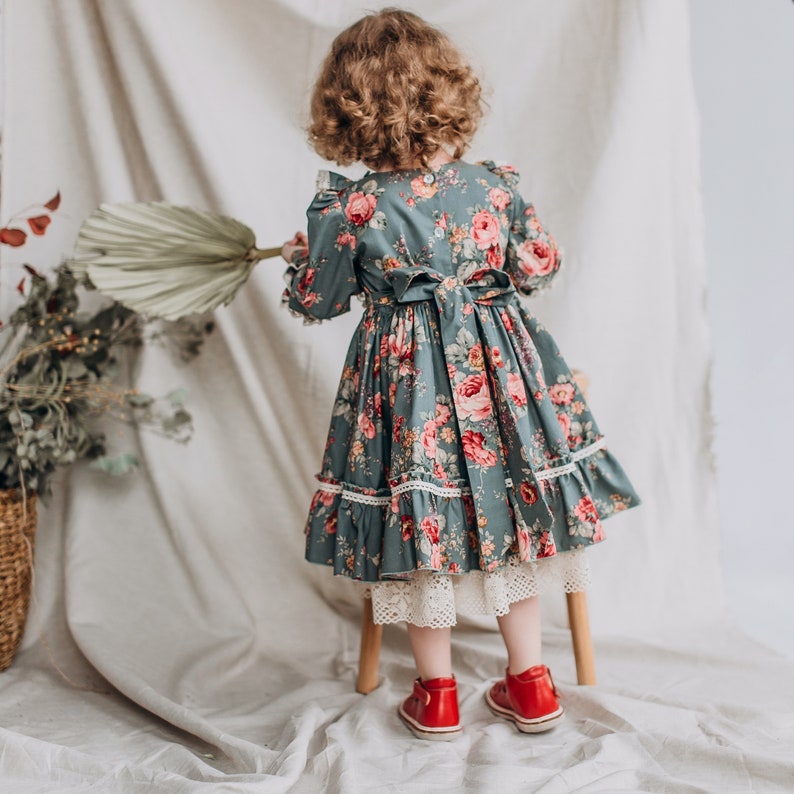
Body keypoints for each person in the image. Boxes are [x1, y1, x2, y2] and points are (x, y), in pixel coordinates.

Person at [281, 8, 639, 741]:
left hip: (407, 393)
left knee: (421, 528)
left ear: (348, 107)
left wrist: (302, 255)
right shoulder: (493, 187)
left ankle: (437, 693)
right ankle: (532, 683)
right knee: (513, 519)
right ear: (447, 91)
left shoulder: (350, 206)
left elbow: (317, 299)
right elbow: (539, 265)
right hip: (497, 386)